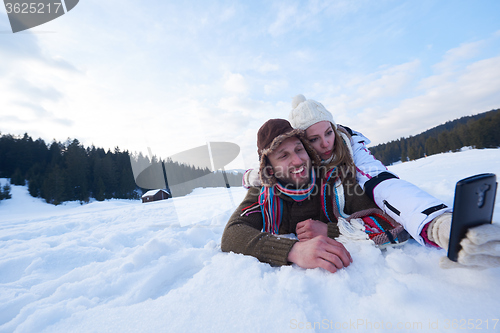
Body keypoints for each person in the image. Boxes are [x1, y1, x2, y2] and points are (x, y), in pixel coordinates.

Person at [243, 94, 500, 269]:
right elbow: (264, 177)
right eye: (313, 140)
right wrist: (253, 177)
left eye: (329, 132)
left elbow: (383, 185)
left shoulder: (351, 157)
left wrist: (437, 223)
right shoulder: (289, 171)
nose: (326, 144)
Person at [221, 119, 408, 273]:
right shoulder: (263, 192)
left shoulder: (336, 182)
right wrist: (294, 250)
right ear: (270, 168)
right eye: (283, 156)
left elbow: (388, 224)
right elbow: (232, 234)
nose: (297, 160)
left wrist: (332, 230)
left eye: (299, 149)